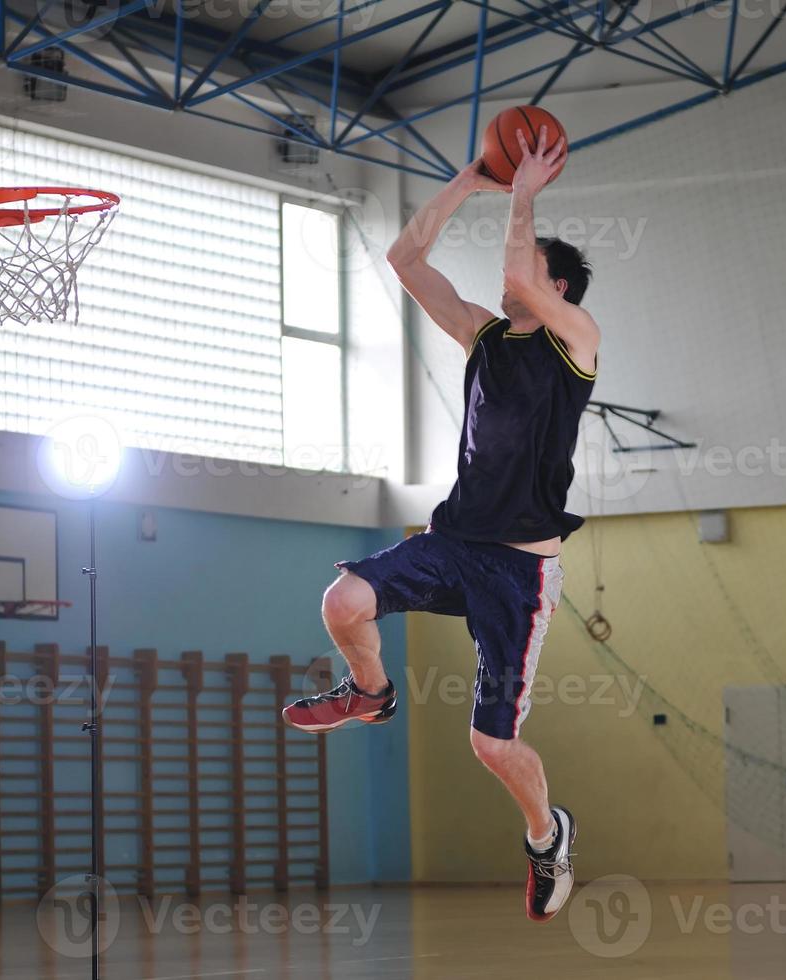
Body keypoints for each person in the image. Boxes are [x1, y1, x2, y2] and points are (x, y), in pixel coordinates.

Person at [282, 128, 596, 922]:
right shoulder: (484, 337)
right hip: (454, 543)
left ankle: (544, 836)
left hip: (518, 573)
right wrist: (467, 181)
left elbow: (516, 267)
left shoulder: (578, 347)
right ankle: (373, 693)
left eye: (532, 273)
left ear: (557, 288)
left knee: (490, 746)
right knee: (342, 603)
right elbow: (405, 261)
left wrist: (523, 189)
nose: (512, 279)